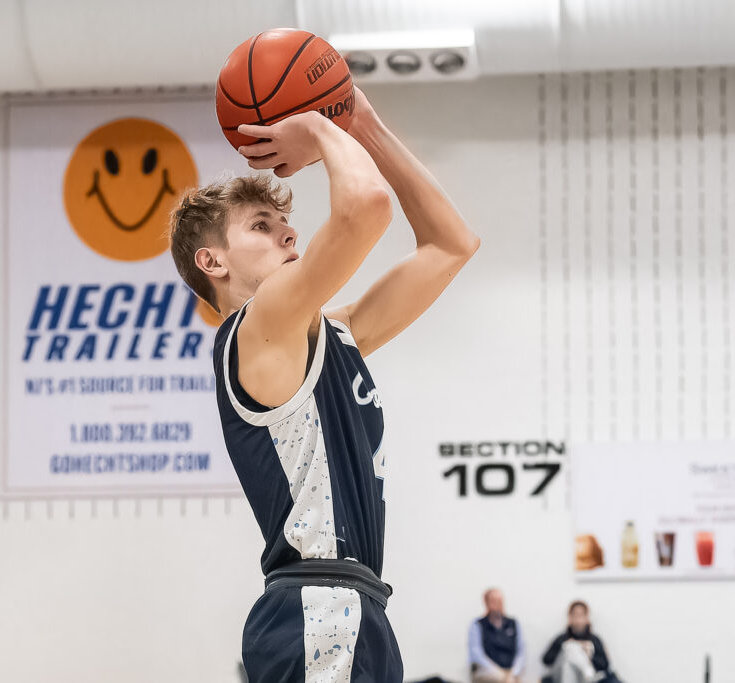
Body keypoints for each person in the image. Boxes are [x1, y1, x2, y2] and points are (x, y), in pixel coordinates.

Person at [168, 87, 480, 682]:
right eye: (263, 226)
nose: (289, 235)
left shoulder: (330, 333)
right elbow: (365, 205)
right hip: (318, 608)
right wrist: (315, 127)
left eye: (287, 224)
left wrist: (363, 123)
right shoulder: (257, 326)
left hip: (352, 609)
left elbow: (450, 244)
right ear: (213, 262)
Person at [541, 601, 620, 683]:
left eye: (581, 616)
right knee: (571, 647)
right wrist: (565, 647)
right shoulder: (562, 638)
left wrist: (588, 655)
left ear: (586, 618)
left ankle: (587, 671)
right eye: (575, 615)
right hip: (563, 676)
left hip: (584, 678)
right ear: (570, 617)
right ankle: (587, 672)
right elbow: (546, 660)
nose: (578, 620)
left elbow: (604, 665)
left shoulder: (594, 639)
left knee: (576, 650)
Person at [467, 588, 526, 683]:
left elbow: (521, 652)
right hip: (487, 671)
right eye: (494, 601)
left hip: (511, 672)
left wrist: (513, 672)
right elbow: (476, 654)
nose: (498, 604)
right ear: (486, 602)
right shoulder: (478, 625)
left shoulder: (513, 624)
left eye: (500, 601)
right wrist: (500, 674)